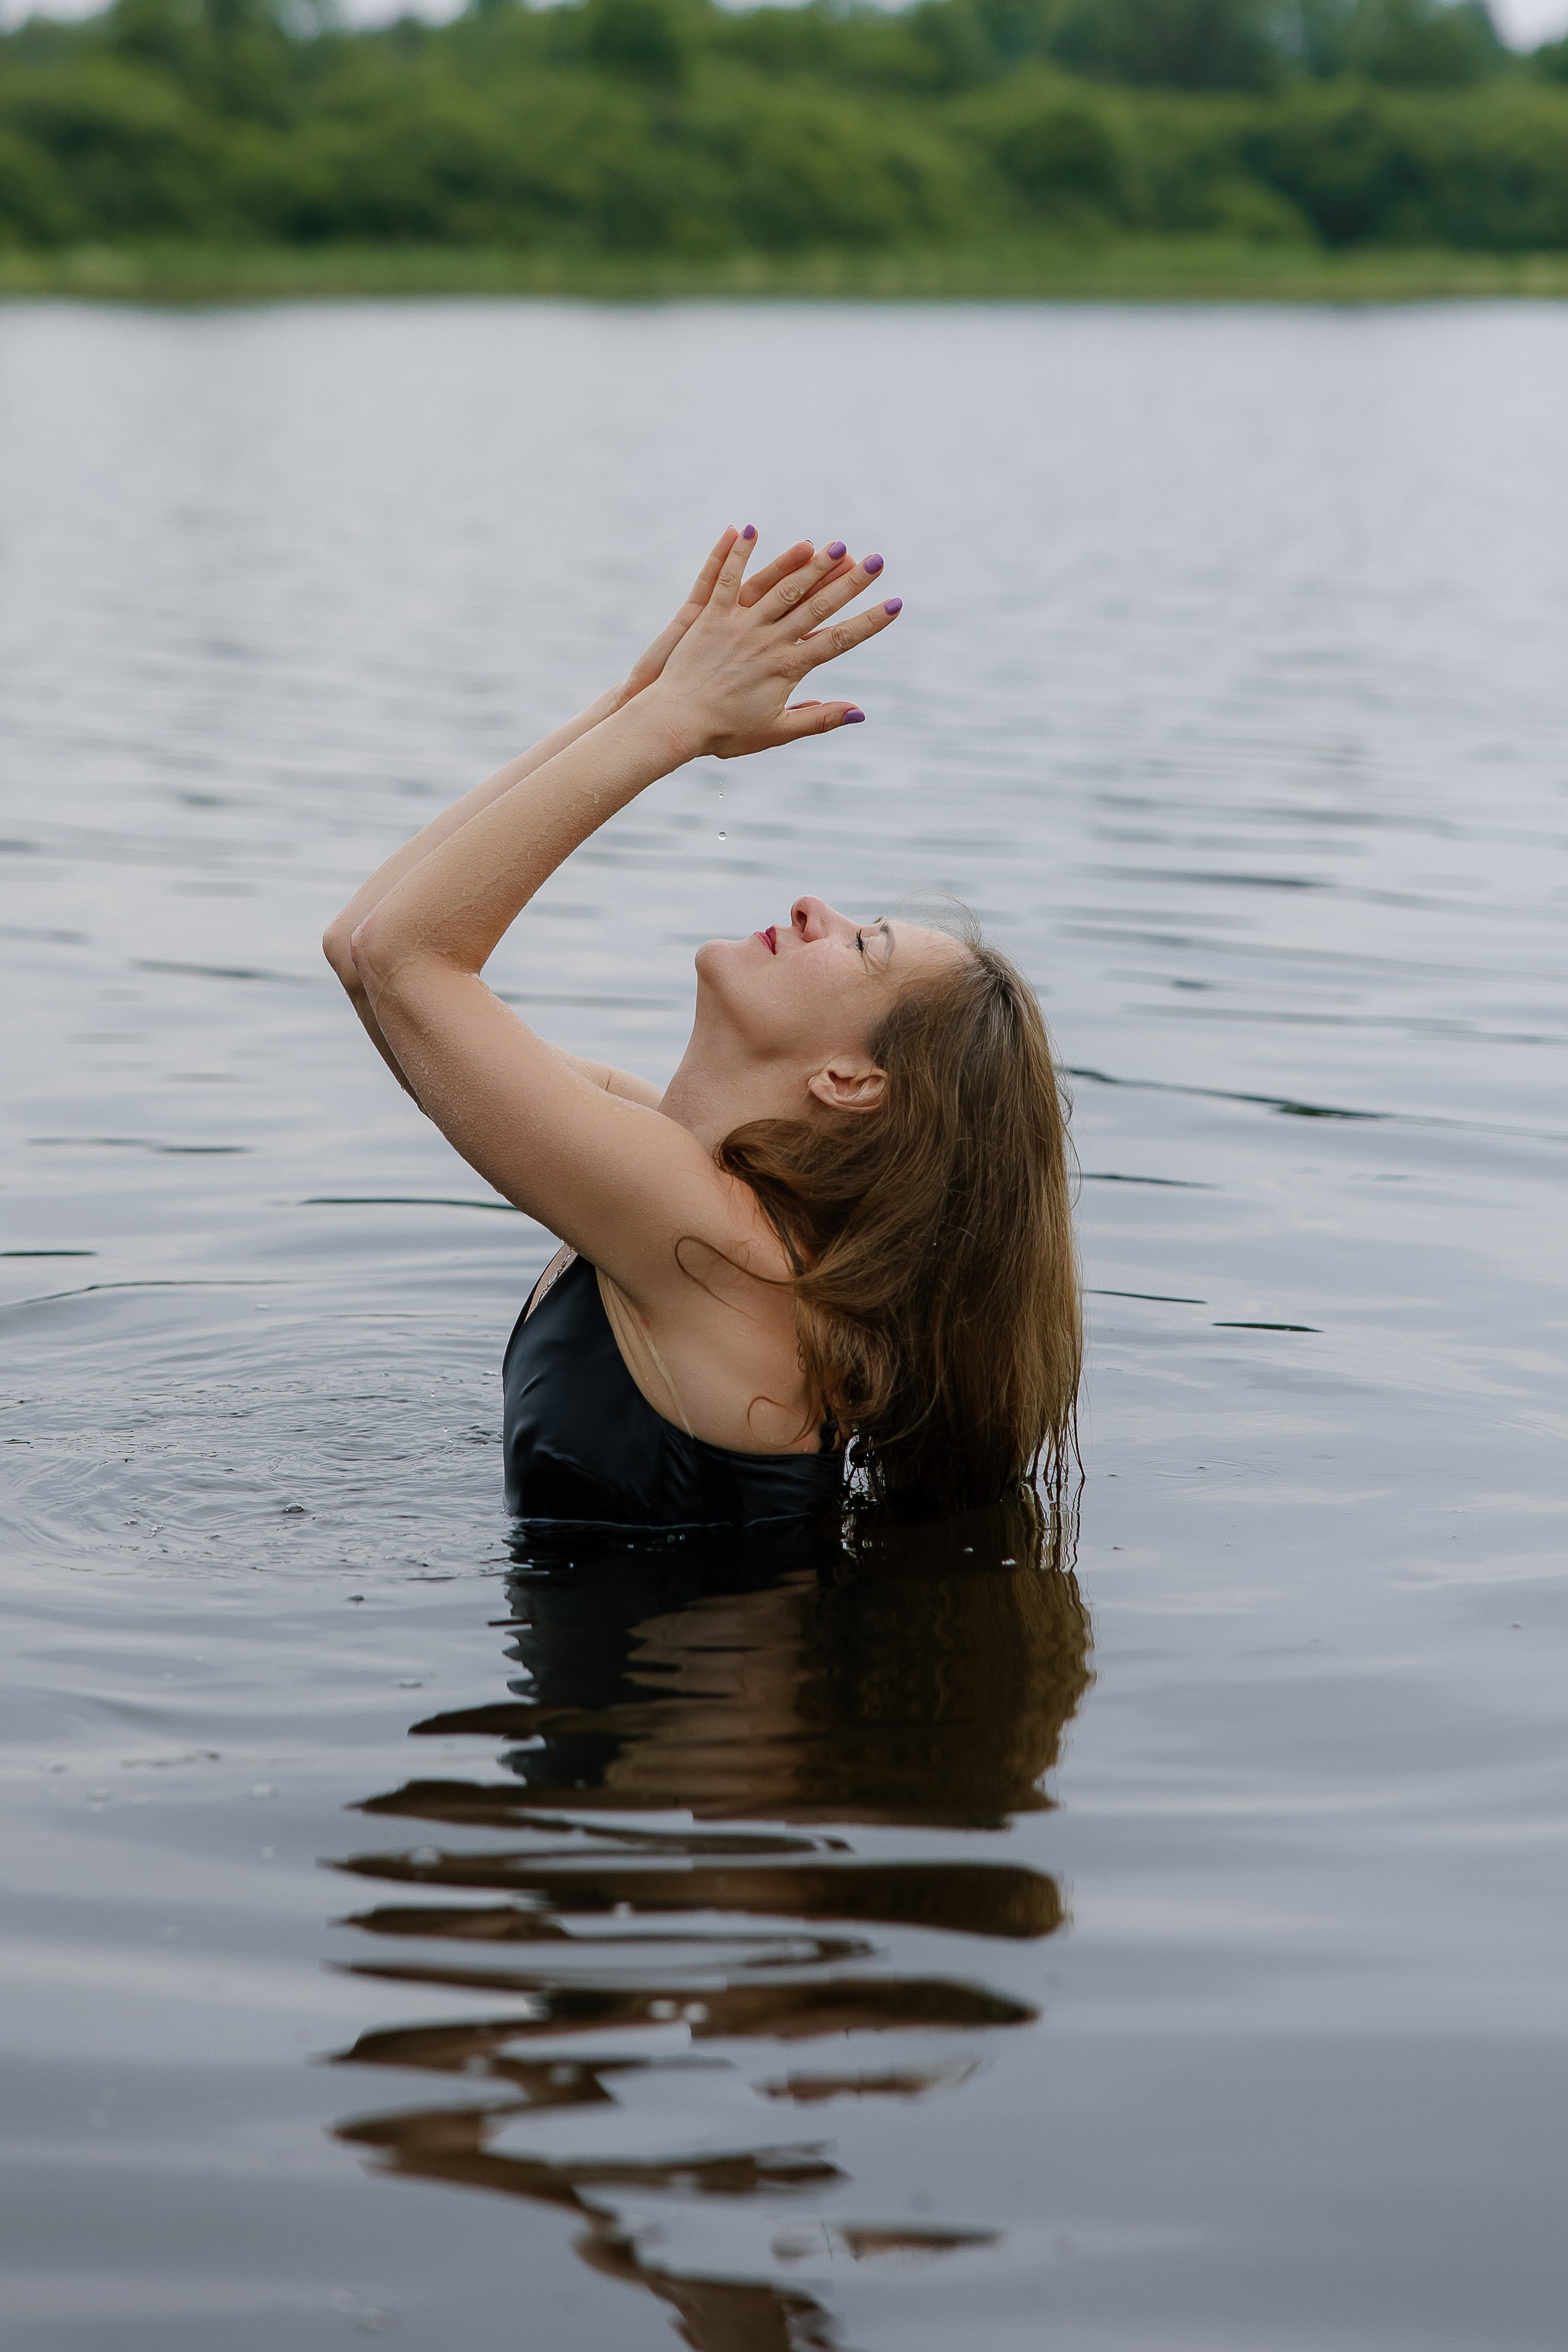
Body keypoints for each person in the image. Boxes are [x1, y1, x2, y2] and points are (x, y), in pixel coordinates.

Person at [323, 527, 1080, 1528]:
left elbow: (407, 958)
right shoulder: (697, 1184)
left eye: (863, 948)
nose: (817, 908)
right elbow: (365, 952)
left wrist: (673, 727)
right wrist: (635, 706)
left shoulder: (724, 1253)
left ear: (853, 1081)